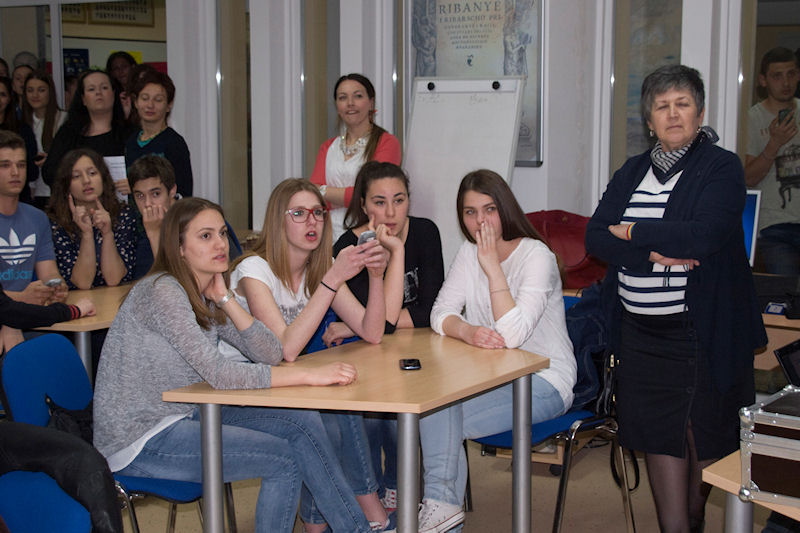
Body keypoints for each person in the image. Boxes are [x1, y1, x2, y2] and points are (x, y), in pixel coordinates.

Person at [93, 196, 382, 533]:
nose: (219, 244)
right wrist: (310, 375)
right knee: (283, 459)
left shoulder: (206, 292)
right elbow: (221, 374)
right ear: (179, 248)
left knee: (302, 422)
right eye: (205, 236)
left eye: (221, 233)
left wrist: (226, 299)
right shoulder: (163, 291)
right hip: (140, 439)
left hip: (188, 414)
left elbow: (271, 352)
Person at [585, 65, 767, 533]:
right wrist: (653, 256)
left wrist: (631, 232)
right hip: (641, 336)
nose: (672, 114)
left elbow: (703, 235)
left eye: (682, 104)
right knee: (660, 437)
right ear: (649, 120)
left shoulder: (721, 166)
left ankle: (693, 518)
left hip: (702, 334)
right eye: (662, 106)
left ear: (699, 112)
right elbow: (595, 237)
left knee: (703, 438)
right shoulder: (632, 171)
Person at [224, 178, 393, 532]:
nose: (312, 222)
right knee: (326, 414)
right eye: (299, 214)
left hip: (285, 383)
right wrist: (332, 279)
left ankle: (324, 521)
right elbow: (284, 349)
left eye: (318, 213)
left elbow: (372, 331)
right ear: (278, 220)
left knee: (339, 402)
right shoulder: (253, 271)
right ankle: (369, 510)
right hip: (242, 386)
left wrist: (376, 277)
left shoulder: (320, 267)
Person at [417, 169, 577, 533]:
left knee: (439, 418)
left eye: (489, 209)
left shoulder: (537, 256)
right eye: (470, 212)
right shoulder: (467, 252)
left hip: (545, 379)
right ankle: (442, 512)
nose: (480, 221)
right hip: (489, 377)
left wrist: (492, 268)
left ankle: (440, 511)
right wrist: (468, 331)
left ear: (505, 209)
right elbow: (440, 313)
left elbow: (513, 335)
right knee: (434, 408)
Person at [333, 161, 445, 510]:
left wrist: (359, 324)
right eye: (379, 202)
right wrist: (370, 324)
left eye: (399, 200)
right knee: (369, 420)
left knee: (399, 421)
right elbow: (380, 325)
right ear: (363, 205)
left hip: (420, 353)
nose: (391, 212)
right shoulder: (348, 247)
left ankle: (396, 486)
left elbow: (432, 309)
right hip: (367, 356)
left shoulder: (425, 232)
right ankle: (371, 491)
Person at [310, 73, 401, 240]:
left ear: (371, 103)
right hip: (329, 236)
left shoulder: (387, 143)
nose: (350, 103)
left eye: (358, 96)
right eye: (343, 98)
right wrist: (351, 195)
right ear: (337, 106)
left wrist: (324, 191)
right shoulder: (328, 147)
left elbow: (374, 194)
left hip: (369, 235)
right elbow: (312, 196)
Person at [0, 130, 67, 352]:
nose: (15, 172)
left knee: (58, 349)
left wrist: (56, 286)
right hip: (10, 315)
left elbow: (49, 273)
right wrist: (22, 299)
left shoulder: (37, 218)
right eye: (5, 165)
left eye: (20, 165)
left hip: (30, 316)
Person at [127, 154, 237, 279]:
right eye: (140, 196)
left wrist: (154, 233)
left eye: (156, 194)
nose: (147, 203)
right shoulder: (138, 224)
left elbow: (172, 283)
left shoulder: (197, 219)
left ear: (172, 190)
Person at [744, 47, 800, 276]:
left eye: (791, 74)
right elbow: (747, 178)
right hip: (773, 228)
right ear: (763, 80)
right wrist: (774, 143)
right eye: (777, 76)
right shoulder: (751, 119)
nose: (786, 82)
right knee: (784, 291)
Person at [47, 148, 137, 289]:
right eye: (76, 176)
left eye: (92, 173)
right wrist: (87, 234)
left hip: (115, 297)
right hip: (77, 299)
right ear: (66, 185)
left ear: (103, 177)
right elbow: (82, 283)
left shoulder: (123, 214)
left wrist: (107, 234)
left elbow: (114, 279)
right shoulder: (56, 223)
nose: (86, 181)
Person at [42, 70, 135, 195]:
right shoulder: (68, 133)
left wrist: (134, 182)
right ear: (83, 99)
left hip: (121, 202)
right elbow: (49, 173)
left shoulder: (131, 133)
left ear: (113, 94)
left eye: (104, 88)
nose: (98, 92)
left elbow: (144, 170)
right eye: (91, 89)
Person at [125, 70, 193, 197]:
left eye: (158, 100)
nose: (150, 105)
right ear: (136, 102)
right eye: (145, 98)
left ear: (169, 105)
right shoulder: (130, 142)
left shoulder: (174, 143)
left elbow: (184, 193)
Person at [22, 71, 67, 208]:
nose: (35, 95)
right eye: (30, 90)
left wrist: (52, 160)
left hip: (57, 191)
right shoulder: (21, 124)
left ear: (50, 92)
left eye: (41, 90)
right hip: (31, 193)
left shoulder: (64, 120)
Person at [0, 76, 37, 204]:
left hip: (19, 200)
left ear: (9, 98)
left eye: (2, 95)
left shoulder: (23, 130)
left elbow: (32, 172)